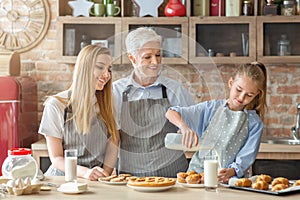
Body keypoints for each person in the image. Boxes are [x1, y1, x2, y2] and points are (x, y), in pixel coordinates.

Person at [165, 62, 267, 183]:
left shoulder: (254, 123)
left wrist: (233, 171)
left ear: (256, 95)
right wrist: (184, 127)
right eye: (238, 90)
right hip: (198, 177)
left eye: (249, 95)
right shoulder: (210, 109)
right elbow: (171, 112)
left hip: (228, 180)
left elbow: (247, 155)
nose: (241, 97)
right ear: (231, 83)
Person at [113, 27, 194, 177]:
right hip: (131, 176)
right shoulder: (116, 92)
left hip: (173, 174)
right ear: (132, 58)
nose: (155, 62)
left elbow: (196, 124)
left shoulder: (174, 90)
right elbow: (111, 136)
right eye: (147, 57)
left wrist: (186, 128)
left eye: (158, 55)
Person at [39, 45, 119, 181]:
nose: (107, 75)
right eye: (100, 67)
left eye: (109, 69)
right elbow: (57, 158)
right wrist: (85, 173)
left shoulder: (109, 102)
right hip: (62, 179)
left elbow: (114, 141)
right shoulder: (56, 105)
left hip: (96, 180)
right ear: (84, 68)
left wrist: (103, 174)